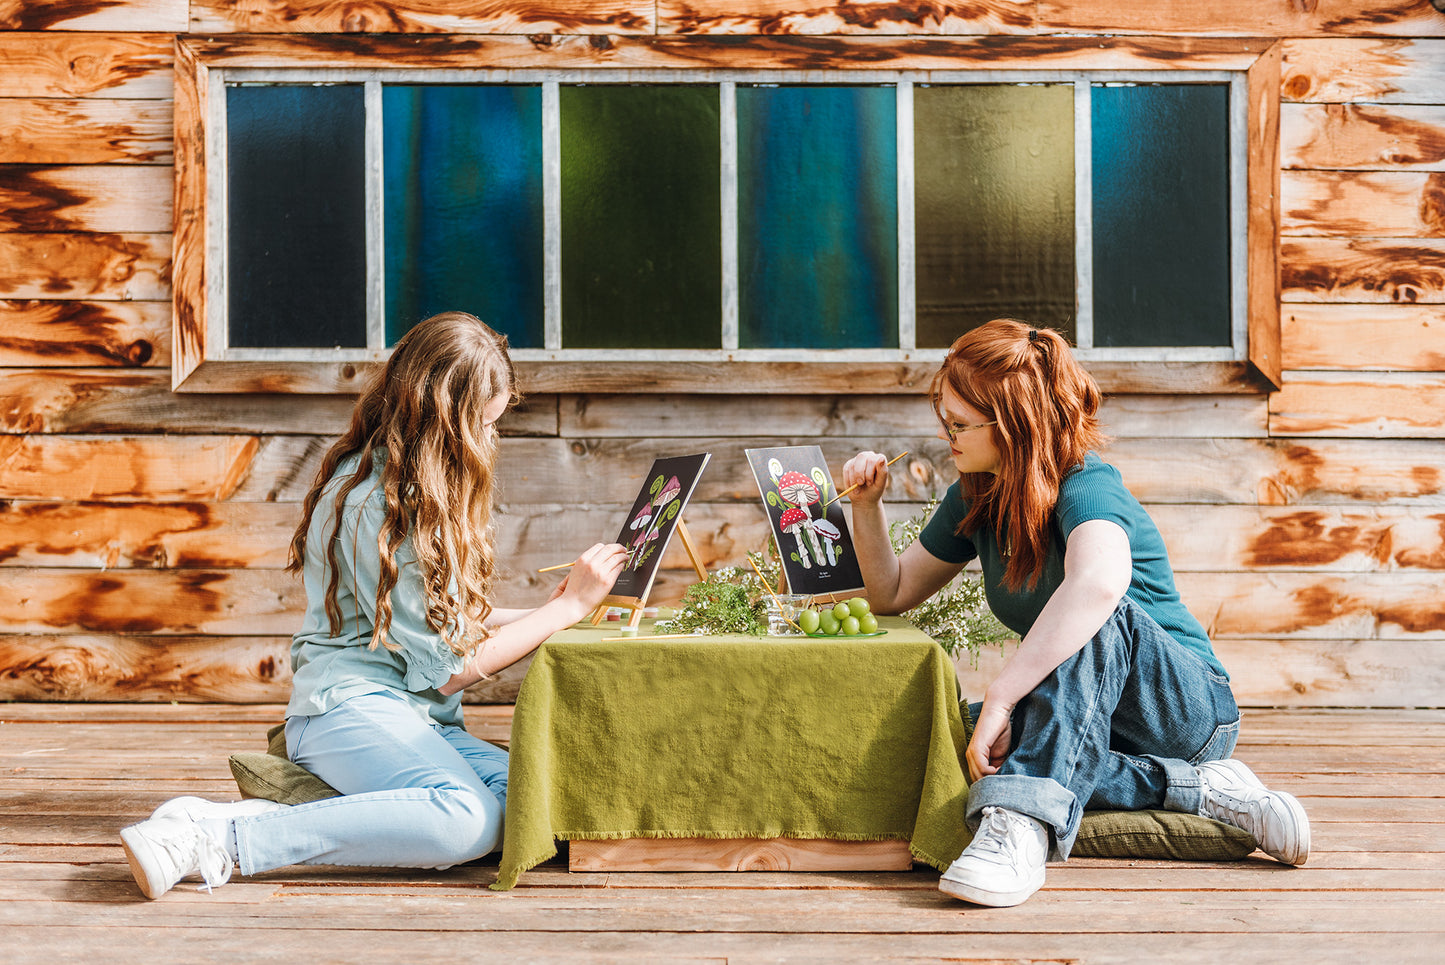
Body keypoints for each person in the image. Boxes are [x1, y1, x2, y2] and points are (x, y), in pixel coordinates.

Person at [119, 311, 628, 899]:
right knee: (467, 819)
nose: (489, 441)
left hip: (415, 719)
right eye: (479, 427)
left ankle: (335, 806)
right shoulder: (376, 508)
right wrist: (560, 615)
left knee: (543, 803)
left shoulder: (421, 493)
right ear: (438, 419)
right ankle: (218, 838)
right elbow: (449, 669)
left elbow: (446, 625)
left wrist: (564, 606)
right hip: (345, 710)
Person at [841, 318, 1309, 908]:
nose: (946, 436)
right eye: (944, 420)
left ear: (1012, 426)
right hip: (1087, 713)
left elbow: (1098, 584)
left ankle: (1019, 822)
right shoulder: (977, 493)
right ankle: (1198, 792)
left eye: (958, 424)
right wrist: (867, 507)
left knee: (1092, 611)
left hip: (1183, 711)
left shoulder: (1087, 486)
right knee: (954, 734)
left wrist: (1007, 697)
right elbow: (892, 591)